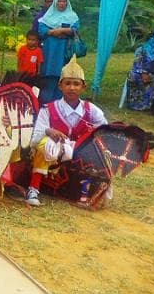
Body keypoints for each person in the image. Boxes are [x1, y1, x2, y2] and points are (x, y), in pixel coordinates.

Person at [25, 55, 107, 206]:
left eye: (76, 84)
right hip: (55, 153)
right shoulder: (48, 109)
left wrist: (89, 139)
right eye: (67, 83)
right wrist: (49, 131)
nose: (72, 88)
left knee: (96, 149)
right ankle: (33, 188)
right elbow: (34, 138)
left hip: (80, 152)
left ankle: (85, 192)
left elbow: (105, 132)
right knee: (46, 143)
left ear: (84, 87)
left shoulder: (92, 110)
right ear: (60, 86)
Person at [37, 0, 80, 103]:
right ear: (55, 2)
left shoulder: (73, 16)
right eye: (59, 1)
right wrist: (53, 32)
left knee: (64, 76)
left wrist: (60, 30)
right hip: (50, 51)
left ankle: (61, 103)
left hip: (65, 51)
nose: (62, 3)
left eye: (64, 1)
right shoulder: (48, 16)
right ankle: (46, 105)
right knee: (49, 77)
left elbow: (74, 29)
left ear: (67, 2)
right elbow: (41, 31)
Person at [126, 25, 154, 113]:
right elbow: (137, 62)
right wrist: (143, 73)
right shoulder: (146, 47)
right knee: (133, 76)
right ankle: (136, 104)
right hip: (142, 71)